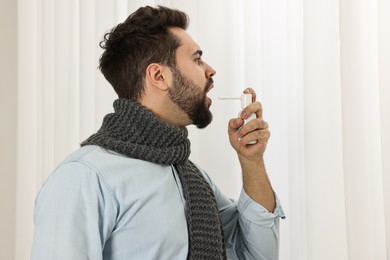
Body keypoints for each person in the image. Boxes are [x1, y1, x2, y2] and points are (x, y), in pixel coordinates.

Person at [31, 5, 284, 260]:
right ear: (159, 76)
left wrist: (252, 162)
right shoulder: (84, 177)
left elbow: (256, 255)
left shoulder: (194, 179)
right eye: (197, 59)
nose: (210, 70)